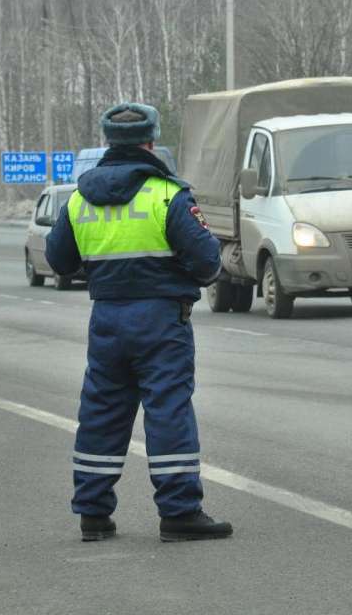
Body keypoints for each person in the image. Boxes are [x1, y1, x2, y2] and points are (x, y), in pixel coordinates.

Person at [46, 102, 233, 543]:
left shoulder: (79, 199)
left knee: (102, 412)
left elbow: (59, 261)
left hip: (107, 319)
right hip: (162, 320)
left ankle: (93, 513)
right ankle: (179, 512)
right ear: (151, 141)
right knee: (167, 409)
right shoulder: (167, 195)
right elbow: (209, 264)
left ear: (108, 142)